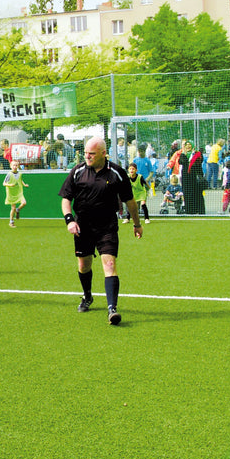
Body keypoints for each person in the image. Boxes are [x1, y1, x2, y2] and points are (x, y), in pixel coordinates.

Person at [59, 137, 140, 326]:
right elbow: (65, 198)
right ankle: (87, 296)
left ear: (103, 153)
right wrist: (69, 220)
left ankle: (112, 309)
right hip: (83, 227)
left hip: (107, 226)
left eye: (92, 153)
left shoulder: (117, 173)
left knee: (110, 264)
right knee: (83, 265)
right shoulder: (78, 171)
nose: (87, 156)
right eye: (86, 152)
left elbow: (130, 201)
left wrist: (137, 224)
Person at [178, 141, 206, 214]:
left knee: (197, 194)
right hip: (186, 178)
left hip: (195, 178)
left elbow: (199, 161)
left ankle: (199, 210)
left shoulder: (198, 154)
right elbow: (181, 161)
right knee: (187, 194)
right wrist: (184, 154)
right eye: (186, 145)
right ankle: (190, 211)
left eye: (189, 145)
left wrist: (193, 155)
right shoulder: (183, 154)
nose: (188, 146)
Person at [2, 161, 28, 227]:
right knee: (13, 208)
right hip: (11, 193)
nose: (15, 167)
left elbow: (20, 180)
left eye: (16, 165)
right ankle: (11, 222)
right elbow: (4, 183)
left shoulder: (20, 173)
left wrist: (24, 185)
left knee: (24, 203)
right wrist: (10, 185)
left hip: (19, 192)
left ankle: (18, 210)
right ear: (10, 166)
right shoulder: (9, 174)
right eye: (13, 165)